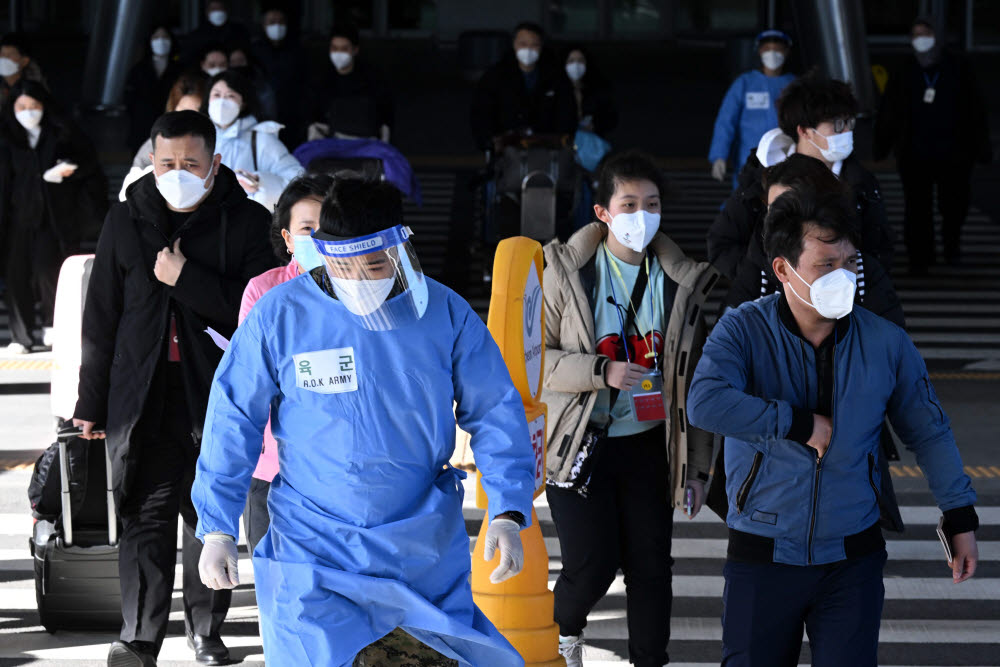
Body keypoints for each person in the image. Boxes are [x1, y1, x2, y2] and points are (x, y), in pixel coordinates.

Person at [190, 177, 536, 666]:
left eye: (371, 265)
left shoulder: (445, 313)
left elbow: (496, 410)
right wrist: (218, 526)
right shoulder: (280, 316)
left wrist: (506, 510)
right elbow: (233, 418)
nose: (356, 278)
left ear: (399, 249)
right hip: (312, 550)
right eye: (341, 266)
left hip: (419, 549)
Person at [687, 187, 979, 666]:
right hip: (763, 554)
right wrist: (797, 423)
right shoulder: (743, 329)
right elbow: (705, 403)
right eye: (826, 265)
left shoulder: (885, 342)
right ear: (782, 269)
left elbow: (929, 430)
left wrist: (960, 515)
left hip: (852, 557)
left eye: (850, 262)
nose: (842, 276)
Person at [71, 110, 276, 667]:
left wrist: (187, 280)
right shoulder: (125, 220)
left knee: (209, 514)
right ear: (151, 162)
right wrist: (89, 403)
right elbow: (102, 317)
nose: (177, 172)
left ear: (213, 165)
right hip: (144, 392)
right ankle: (139, 637)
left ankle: (207, 631)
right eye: (167, 163)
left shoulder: (250, 222)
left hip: (218, 391)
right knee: (147, 510)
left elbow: (256, 314)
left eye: (190, 163)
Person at [540, 151, 717, 667]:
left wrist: (698, 467)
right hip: (581, 441)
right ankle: (564, 632)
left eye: (652, 204)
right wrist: (601, 372)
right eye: (630, 203)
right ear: (602, 212)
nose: (642, 215)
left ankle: (649, 662)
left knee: (651, 569)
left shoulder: (681, 284)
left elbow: (695, 382)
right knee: (590, 568)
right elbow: (537, 362)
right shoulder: (568, 273)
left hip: (649, 445)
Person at [703, 153, 906, 534]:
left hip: (843, 459)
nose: (782, 221)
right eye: (773, 210)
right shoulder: (760, 265)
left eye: (793, 206)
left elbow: (899, 369)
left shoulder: (860, 271)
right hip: (769, 467)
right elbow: (714, 383)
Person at [708, 73, 895, 281]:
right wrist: (761, 281)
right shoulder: (761, 178)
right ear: (805, 131)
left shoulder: (861, 183)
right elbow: (722, 241)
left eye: (850, 122)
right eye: (838, 124)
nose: (847, 132)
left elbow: (880, 251)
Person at [236, 171, 332, 554]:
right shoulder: (264, 290)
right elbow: (246, 384)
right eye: (308, 228)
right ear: (288, 239)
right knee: (276, 590)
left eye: (329, 226)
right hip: (273, 468)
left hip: (342, 471)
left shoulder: (369, 292)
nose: (320, 238)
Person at [874, 16, 991, 274]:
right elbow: (891, 111)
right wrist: (882, 146)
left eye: (925, 33)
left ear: (936, 37)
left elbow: (975, 108)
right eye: (916, 34)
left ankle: (952, 248)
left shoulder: (958, 66)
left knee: (954, 205)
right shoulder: (904, 69)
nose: (921, 39)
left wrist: (981, 147)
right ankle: (920, 256)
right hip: (915, 152)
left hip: (954, 151)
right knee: (917, 207)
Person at [0, 80, 107, 353]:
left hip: (55, 216)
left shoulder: (62, 132)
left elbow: (88, 163)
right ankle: (21, 336)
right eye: (21, 106)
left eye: (34, 106)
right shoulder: (6, 136)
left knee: (50, 271)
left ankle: (53, 325)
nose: (28, 112)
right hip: (16, 218)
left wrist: (68, 169)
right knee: (16, 275)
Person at [204, 70, 303, 210]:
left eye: (230, 95)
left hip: (248, 225)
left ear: (243, 102)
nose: (222, 101)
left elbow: (296, 180)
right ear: (208, 99)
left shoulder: (261, 138)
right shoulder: (197, 138)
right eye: (216, 95)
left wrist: (261, 183)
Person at [470, 21, 577, 151]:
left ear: (541, 47)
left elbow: (567, 112)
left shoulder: (556, 77)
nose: (528, 50)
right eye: (523, 44)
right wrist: (489, 141)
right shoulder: (495, 76)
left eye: (534, 45)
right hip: (507, 148)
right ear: (514, 45)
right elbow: (482, 112)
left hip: (547, 147)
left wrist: (561, 139)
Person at [708, 30, 795, 188]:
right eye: (767, 48)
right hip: (749, 163)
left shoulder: (795, 84)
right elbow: (726, 121)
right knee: (747, 206)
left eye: (777, 49)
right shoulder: (744, 83)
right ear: (760, 51)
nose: (772, 53)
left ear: (786, 52)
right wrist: (719, 156)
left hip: (787, 162)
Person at [120, 72, 210, 199]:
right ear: (173, 110)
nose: (189, 120)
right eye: (183, 112)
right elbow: (128, 192)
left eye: (197, 113)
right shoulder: (158, 142)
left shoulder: (219, 140)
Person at [310, 24, 394, 142]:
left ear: (355, 50)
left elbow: (384, 114)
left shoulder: (371, 79)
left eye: (344, 49)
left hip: (365, 143)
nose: (338, 53)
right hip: (329, 144)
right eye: (334, 48)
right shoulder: (321, 79)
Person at [251, 3, 309, 147]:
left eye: (281, 22)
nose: (277, 26)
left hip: (293, 117)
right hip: (263, 117)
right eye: (272, 22)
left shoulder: (298, 51)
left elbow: (306, 84)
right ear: (264, 25)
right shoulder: (254, 51)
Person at [124, 26, 184, 153]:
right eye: (156, 37)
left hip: (172, 127)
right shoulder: (138, 70)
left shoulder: (180, 70)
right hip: (142, 128)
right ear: (149, 42)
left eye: (165, 37)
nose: (161, 41)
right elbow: (129, 100)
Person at [563, 45, 617, 139]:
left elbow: (611, 117)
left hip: (592, 143)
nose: (576, 65)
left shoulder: (598, 89)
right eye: (571, 61)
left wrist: (595, 125)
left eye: (581, 61)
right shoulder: (554, 91)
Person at [183, 0, 251, 68]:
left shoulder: (238, 31)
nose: (217, 12)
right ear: (207, 12)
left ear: (226, 11)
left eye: (220, 8)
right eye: (213, 9)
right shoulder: (197, 35)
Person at [0, 32, 46, 108]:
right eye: (2, 54)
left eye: (10, 55)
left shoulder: (36, 89)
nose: (4, 59)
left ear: (24, 61)